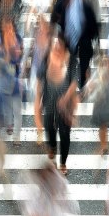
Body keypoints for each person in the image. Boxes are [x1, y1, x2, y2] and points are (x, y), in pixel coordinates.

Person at [34, 35, 79, 176]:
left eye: (59, 44)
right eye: (55, 44)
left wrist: (65, 98)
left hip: (65, 104)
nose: (56, 47)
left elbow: (74, 82)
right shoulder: (48, 56)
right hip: (49, 99)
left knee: (65, 134)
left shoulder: (71, 60)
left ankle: (63, 162)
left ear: (65, 47)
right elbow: (40, 78)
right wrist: (38, 99)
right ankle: (52, 146)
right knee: (48, 125)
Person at [53, 0, 100, 89]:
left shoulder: (86, 5)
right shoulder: (65, 5)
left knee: (84, 65)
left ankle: (82, 85)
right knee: (69, 64)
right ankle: (69, 85)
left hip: (84, 41)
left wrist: (95, 39)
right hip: (69, 40)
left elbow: (93, 24)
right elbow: (58, 20)